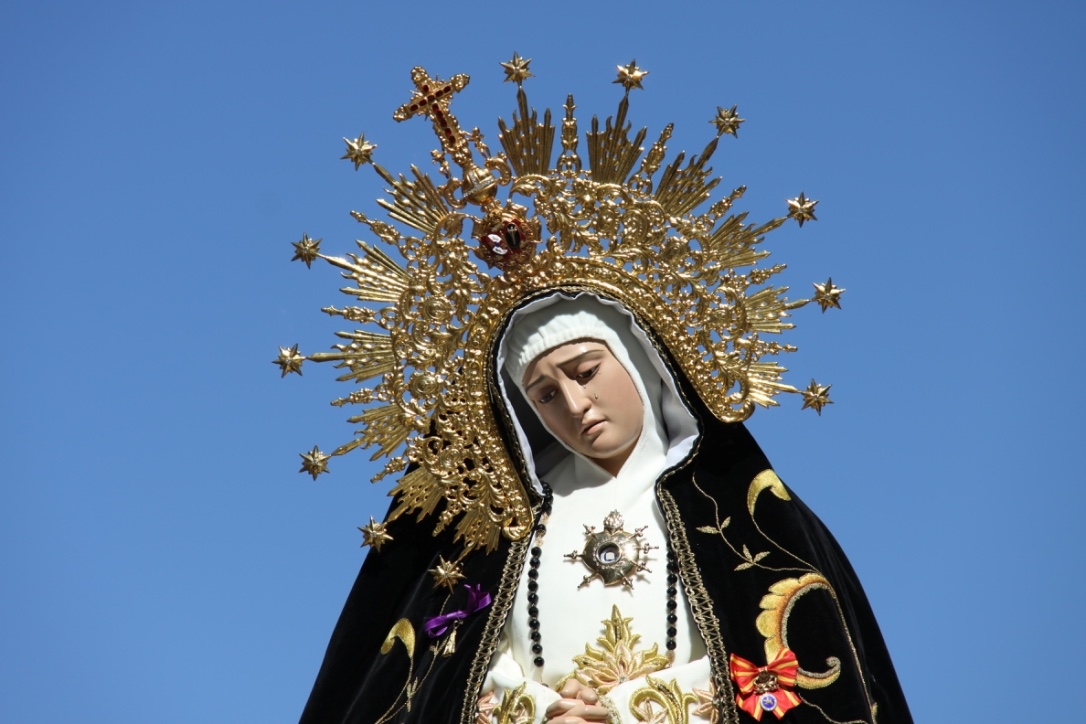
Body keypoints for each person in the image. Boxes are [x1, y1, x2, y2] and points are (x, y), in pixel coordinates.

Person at [300, 291, 912, 724]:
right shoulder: (508, 529)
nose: (575, 403)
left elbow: (793, 659)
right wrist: (537, 712)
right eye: (545, 394)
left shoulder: (742, 506)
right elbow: (449, 676)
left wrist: (626, 713)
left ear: (638, 358)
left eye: (586, 371)